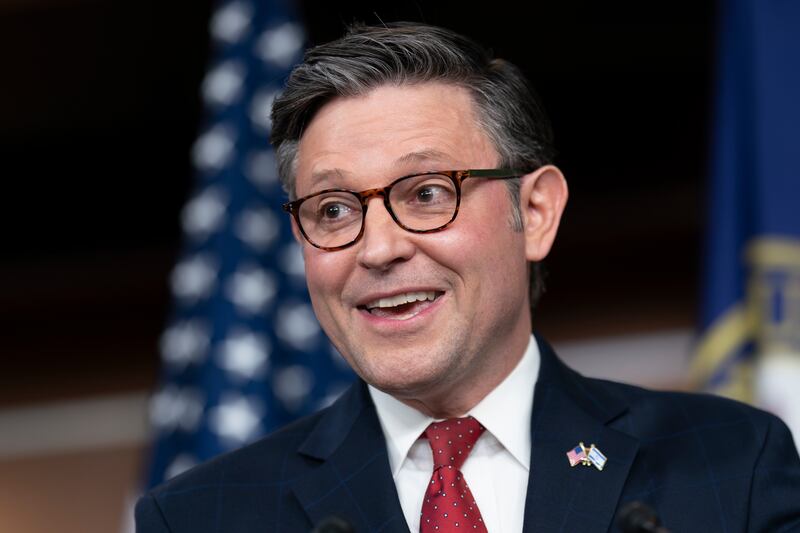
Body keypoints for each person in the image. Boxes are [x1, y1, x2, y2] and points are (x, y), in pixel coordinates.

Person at [135, 22, 800, 533]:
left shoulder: (729, 464)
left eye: (426, 193)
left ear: (534, 212)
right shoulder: (203, 514)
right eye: (334, 210)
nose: (379, 248)